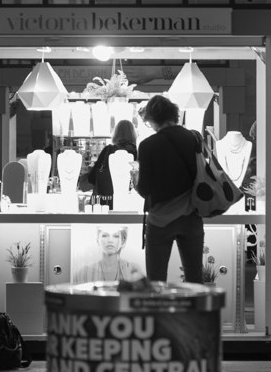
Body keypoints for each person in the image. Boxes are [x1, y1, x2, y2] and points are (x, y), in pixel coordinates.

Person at [135, 95, 202, 283]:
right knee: (194, 278)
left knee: (156, 281)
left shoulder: (148, 145)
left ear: (153, 118)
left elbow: (145, 190)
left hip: (160, 219)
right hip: (191, 216)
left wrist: (136, 180)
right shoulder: (193, 138)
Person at [86, 119, 138, 208]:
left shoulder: (108, 150)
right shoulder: (137, 152)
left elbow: (91, 178)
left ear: (116, 133)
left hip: (106, 201)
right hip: (130, 201)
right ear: (133, 134)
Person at [72, 225, 145, 283]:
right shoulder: (83, 273)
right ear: (98, 240)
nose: (110, 240)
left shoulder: (133, 269)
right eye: (105, 236)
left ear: (123, 241)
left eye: (116, 236)